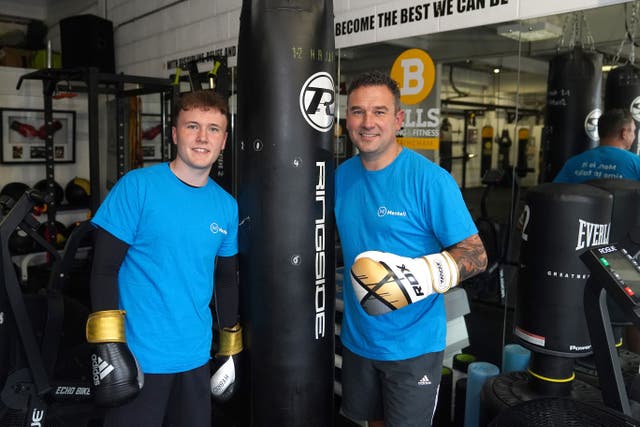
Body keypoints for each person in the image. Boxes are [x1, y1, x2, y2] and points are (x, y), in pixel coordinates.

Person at [335, 71, 488, 427]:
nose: (367, 122)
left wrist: (419, 275)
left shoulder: (430, 180)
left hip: (413, 346)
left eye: (379, 112)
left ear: (399, 119)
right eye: (358, 112)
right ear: (347, 120)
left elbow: (477, 255)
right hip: (360, 338)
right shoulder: (341, 177)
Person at [86, 90, 241, 426]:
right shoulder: (137, 187)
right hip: (139, 360)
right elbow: (103, 270)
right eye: (192, 127)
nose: (203, 138)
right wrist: (111, 348)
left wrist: (230, 347)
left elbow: (226, 279)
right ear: (174, 134)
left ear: (224, 140)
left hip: (195, 358)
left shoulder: (226, 206)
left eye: (213, 129)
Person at [553, 108, 640, 183]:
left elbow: (555, 195)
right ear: (624, 133)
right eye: (633, 131)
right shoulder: (637, 163)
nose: (634, 136)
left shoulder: (573, 163)